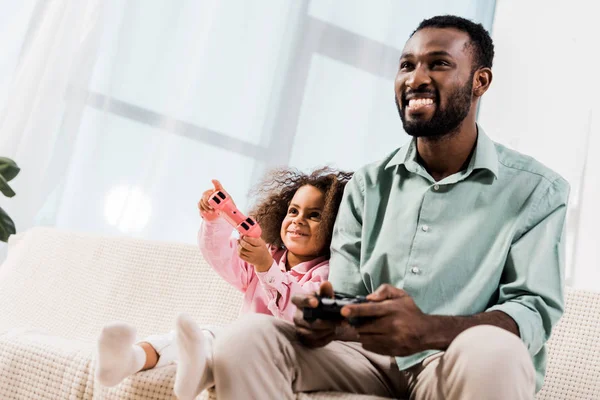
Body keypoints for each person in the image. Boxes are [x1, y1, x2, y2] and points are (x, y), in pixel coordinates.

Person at [205, 15, 570, 400]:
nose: (415, 79)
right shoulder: (366, 185)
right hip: (364, 360)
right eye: (407, 65)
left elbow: (532, 312)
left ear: (480, 81)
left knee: (497, 350)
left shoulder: (537, 190)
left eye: (439, 63)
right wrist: (330, 320)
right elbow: (345, 297)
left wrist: (425, 329)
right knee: (246, 338)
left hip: (455, 363)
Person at [93, 166, 353, 399]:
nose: (298, 219)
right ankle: (130, 359)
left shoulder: (326, 273)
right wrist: (215, 219)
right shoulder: (268, 252)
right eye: (293, 211)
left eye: (314, 215)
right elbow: (221, 255)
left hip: (284, 354)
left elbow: (300, 313)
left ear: (333, 226)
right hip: (238, 344)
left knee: (215, 336)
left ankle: (197, 369)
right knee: (199, 337)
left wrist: (266, 267)